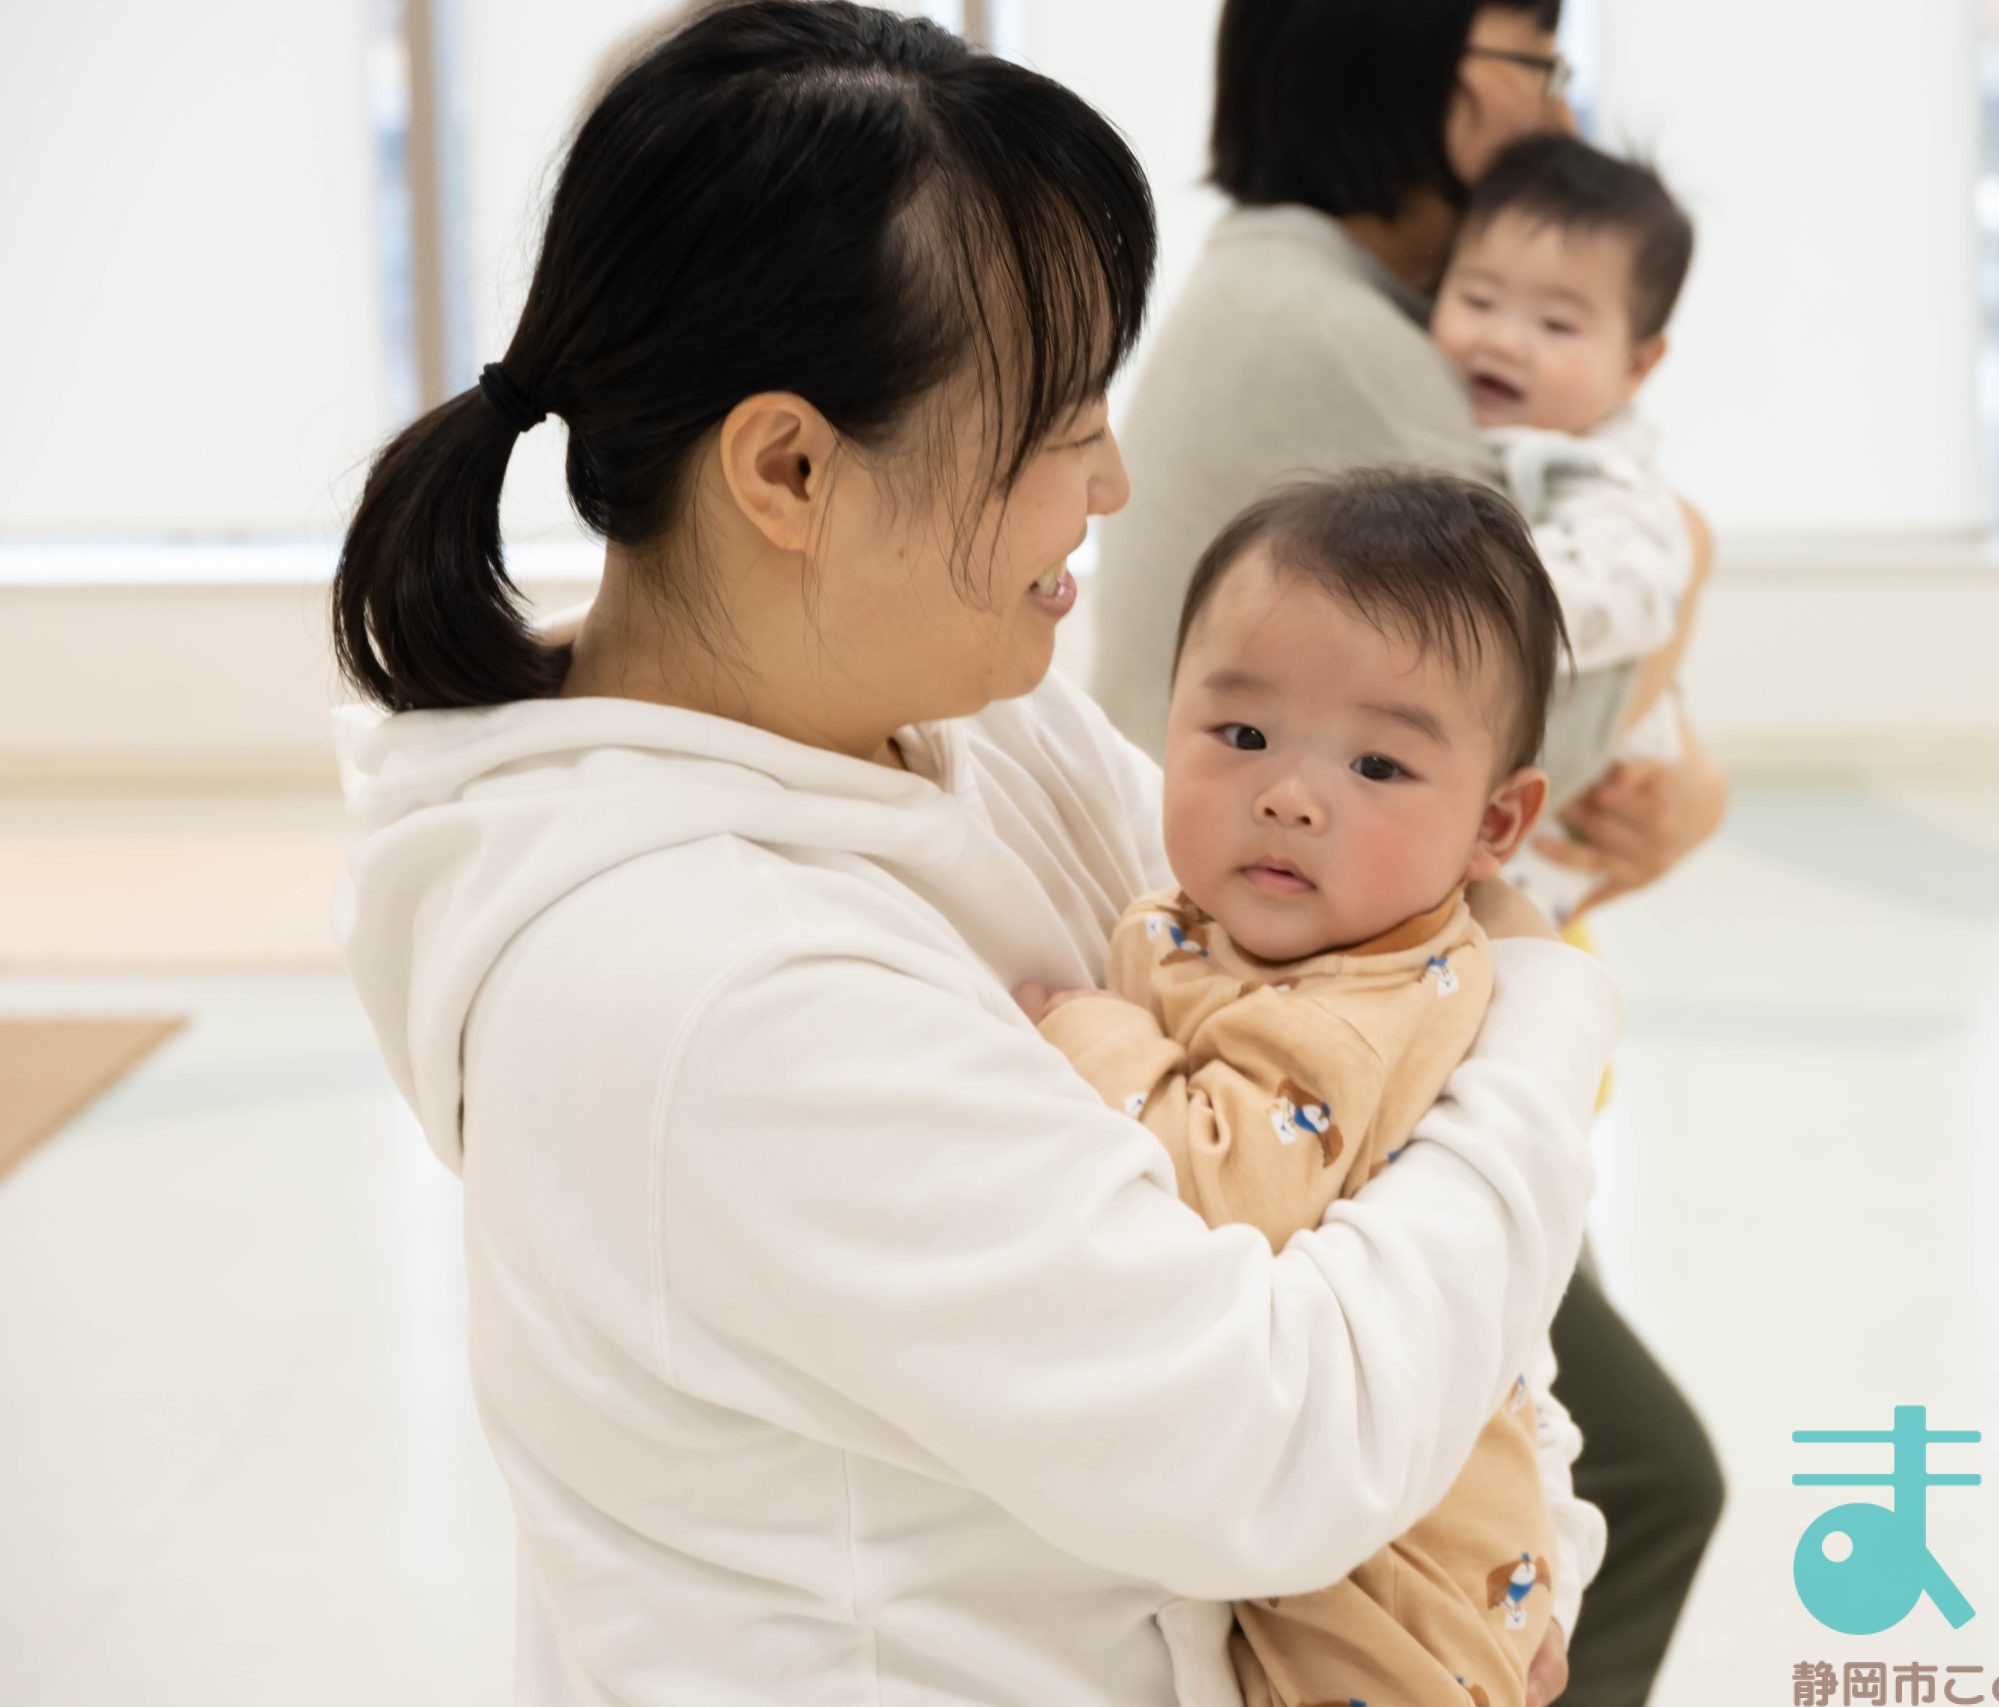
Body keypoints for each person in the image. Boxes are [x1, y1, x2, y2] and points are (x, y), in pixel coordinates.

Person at [327, 6, 1619, 1703]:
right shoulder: (707, 992)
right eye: (1059, 418)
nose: (1114, 478)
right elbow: (1279, 1436)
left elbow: (1355, 1097)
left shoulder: (963, 715)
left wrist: (1529, 1549)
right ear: (790, 465)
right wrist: (1544, 1012)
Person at [1090, 4, 1723, 1700]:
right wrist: (1692, 562)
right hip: (1330, 992)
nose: (1554, 112)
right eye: (1535, 64)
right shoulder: (1345, 338)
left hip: (1318, 955)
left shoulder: (1321, 296)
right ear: (1412, 63)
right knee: (1644, 1475)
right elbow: (1533, 710)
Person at [1021, 471, 1598, 1707]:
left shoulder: (1368, 999)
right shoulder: (1244, 928)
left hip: (1393, 1596)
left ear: (1497, 824)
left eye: (1379, 765)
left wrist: (1085, 1032)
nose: (1288, 795)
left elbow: (1226, 1183)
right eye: (1240, 737)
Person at [1430, 134, 1702, 924]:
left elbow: (1630, 590)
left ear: (1638, 365)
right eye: (1477, 300)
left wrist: (1451, 591)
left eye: (1556, 324)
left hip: (1560, 833)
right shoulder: (1463, 421)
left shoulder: (1609, 475)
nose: (1502, 339)